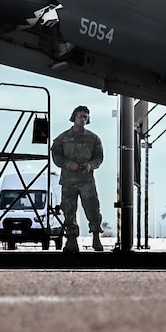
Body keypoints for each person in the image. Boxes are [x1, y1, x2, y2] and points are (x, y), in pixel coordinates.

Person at [51, 105, 105, 252]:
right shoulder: (62, 138)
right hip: (69, 181)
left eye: (85, 117)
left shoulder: (93, 138)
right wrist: (69, 164)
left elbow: (99, 157)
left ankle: (96, 237)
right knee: (69, 210)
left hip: (87, 181)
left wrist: (90, 165)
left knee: (93, 209)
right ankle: (71, 240)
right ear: (74, 117)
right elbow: (56, 156)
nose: (82, 119)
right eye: (80, 116)